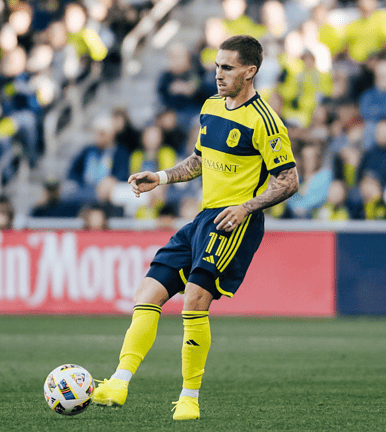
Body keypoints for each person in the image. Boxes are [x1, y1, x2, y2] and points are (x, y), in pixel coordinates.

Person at [91, 35, 299, 421]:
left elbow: (288, 181)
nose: (218, 74)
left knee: (194, 300)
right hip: (203, 218)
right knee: (148, 292)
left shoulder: (265, 121)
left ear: (250, 71)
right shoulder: (210, 107)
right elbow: (200, 160)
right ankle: (119, 382)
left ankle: (189, 398)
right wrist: (163, 177)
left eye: (227, 67)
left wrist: (246, 207)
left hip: (235, 221)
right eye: (217, 66)